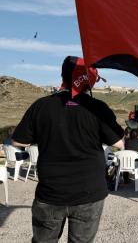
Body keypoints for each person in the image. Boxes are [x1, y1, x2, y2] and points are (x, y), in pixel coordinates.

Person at [12, 56, 124, 242]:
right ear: (90, 80)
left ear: (63, 76)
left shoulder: (41, 105)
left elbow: (17, 142)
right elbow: (119, 143)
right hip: (89, 193)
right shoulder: (97, 108)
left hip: (51, 192)